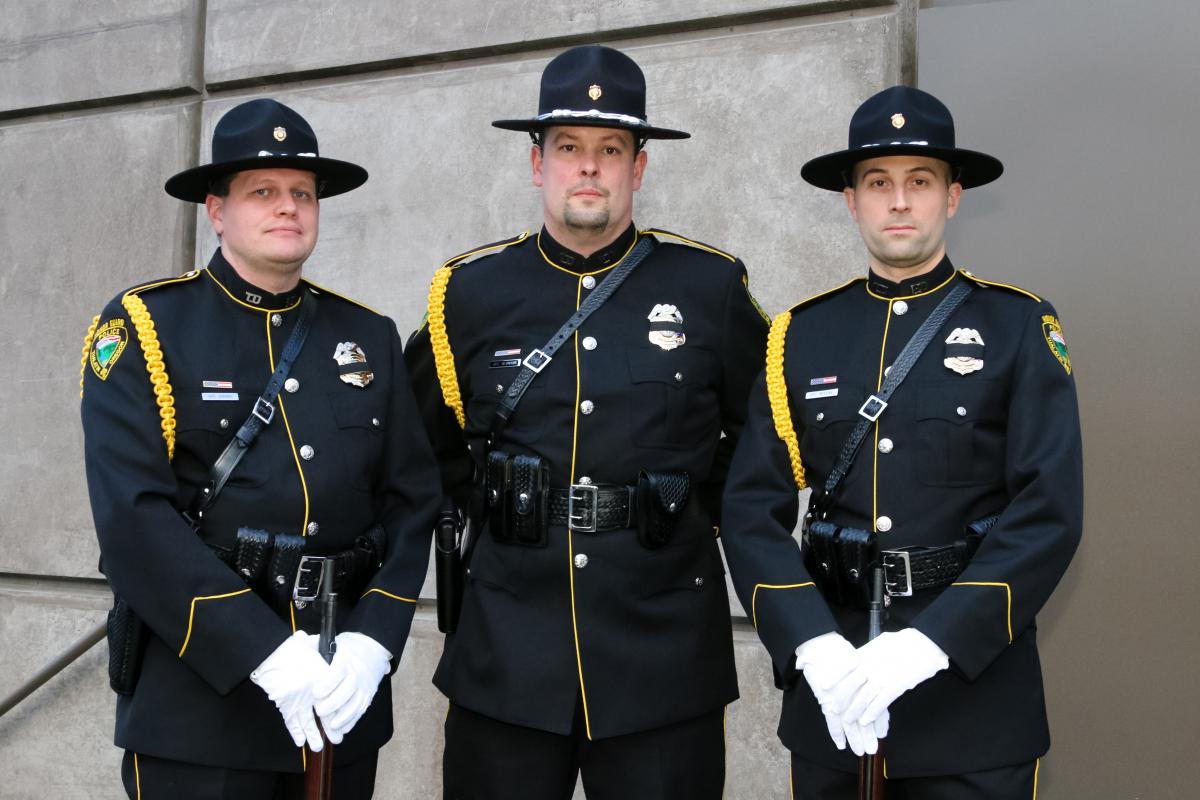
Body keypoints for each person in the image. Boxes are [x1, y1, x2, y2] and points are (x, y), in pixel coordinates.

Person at [404, 45, 769, 799]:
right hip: (506, 657)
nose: (590, 168)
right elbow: (421, 450)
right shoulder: (468, 294)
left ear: (639, 168)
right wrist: (501, 506)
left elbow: (765, 438)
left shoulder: (710, 289)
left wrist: (688, 511)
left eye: (611, 150)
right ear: (537, 163)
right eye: (569, 148)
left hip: (662, 658)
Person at [719, 85, 1083, 797]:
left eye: (920, 181)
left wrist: (930, 643)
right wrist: (812, 643)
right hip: (837, 697)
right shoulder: (800, 336)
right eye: (877, 183)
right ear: (850, 200)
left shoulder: (1018, 327)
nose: (898, 201)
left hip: (973, 705)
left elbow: (1048, 512)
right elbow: (749, 509)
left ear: (952, 197)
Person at [79, 98, 441, 799]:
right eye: (263, 192)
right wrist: (265, 652)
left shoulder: (365, 335)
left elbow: (413, 499)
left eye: (302, 193)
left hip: (338, 698)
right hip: (201, 708)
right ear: (217, 211)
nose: (288, 208)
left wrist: (375, 640)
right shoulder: (147, 326)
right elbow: (132, 518)